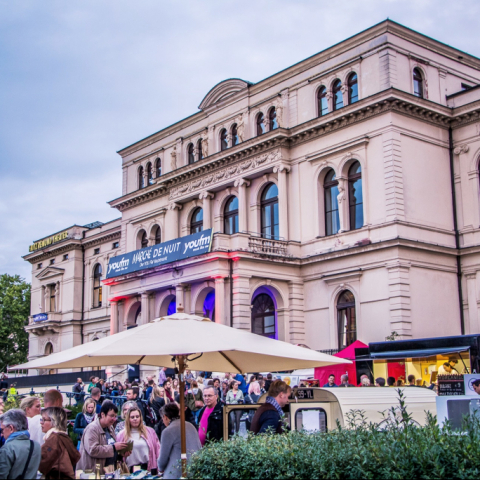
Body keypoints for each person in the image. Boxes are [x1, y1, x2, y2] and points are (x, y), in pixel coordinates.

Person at [78, 401, 130, 475]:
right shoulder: (92, 429)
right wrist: (114, 447)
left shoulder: (110, 427)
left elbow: (111, 450)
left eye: (115, 416)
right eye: (111, 416)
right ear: (102, 414)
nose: (114, 419)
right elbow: (93, 450)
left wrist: (121, 453)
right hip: (94, 473)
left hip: (109, 471)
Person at [157, 403, 201, 479]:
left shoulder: (167, 431)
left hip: (176, 473)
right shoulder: (190, 425)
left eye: (162, 418)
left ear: (165, 417)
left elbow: (162, 460)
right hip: (195, 470)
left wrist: (160, 468)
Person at [39, 406, 81, 479]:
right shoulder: (64, 437)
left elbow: (42, 464)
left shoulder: (54, 439)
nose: (41, 422)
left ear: (54, 421)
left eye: (44, 419)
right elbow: (76, 456)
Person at [117, 406, 160, 473]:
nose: (135, 419)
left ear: (141, 418)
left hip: (147, 469)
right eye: (132, 417)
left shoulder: (150, 432)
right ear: (128, 419)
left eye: (137, 416)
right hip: (129, 471)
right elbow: (118, 456)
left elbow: (158, 451)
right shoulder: (121, 435)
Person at [0, 409, 42, 479]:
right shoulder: (36, 445)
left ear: (11, 428)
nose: (1, 434)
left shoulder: (7, 448)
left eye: (2, 430)